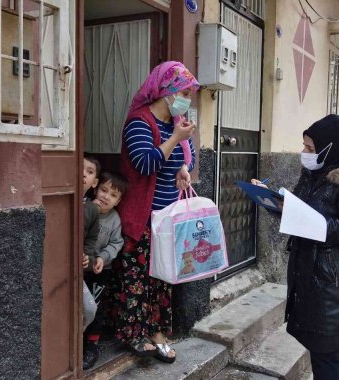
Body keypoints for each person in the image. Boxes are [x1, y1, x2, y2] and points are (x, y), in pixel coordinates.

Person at [253, 114, 339, 380]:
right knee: (320, 351)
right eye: (304, 146)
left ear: (330, 148)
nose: (304, 153)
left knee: (326, 357)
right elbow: (299, 211)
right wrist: (275, 203)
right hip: (310, 276)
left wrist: (310, 222)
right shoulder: (314, 174)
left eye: (310, 148)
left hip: (331, 283)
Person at [113, 61, 199, 363]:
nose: (188, 98)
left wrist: (185, 168)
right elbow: (145, 163)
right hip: (143, 217)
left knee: (162, 280)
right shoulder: (140, 122)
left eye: (190, 93)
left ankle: (158, 331)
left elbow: (188, 155)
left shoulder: (177, 121)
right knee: (137, 280)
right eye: (185, 92)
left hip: (168, 218)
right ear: (167, 91)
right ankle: (133, 333)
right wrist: (175, 138)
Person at [83, 172, 127, 369]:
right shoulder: (85, 208)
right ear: (96, 187)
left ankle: (91, 345)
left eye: (113, 195)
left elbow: (117, 242)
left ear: (118, 201)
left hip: (101, 270)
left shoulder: (114, 219)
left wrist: (103, 257)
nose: (106, 196)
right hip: (81, 267)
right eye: (104, 190)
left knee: (96, 307)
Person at [82, 156, 100, 332]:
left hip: (76, 273)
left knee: (89, 309)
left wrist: (87, 256)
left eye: (89, 172)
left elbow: (91, 239)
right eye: (80, 168)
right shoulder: (60, 203)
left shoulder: (92, 210)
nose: (83, 174)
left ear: (94, 183)